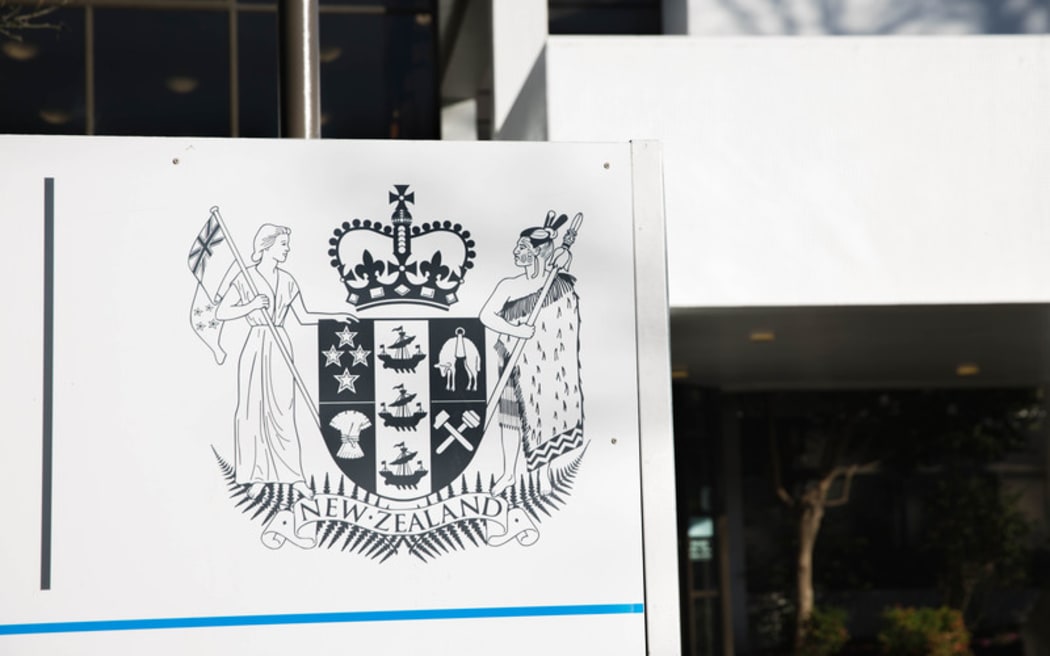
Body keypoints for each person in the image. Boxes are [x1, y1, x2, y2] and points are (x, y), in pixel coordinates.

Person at [216, 224, 355, 499]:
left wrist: (335, 316)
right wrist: (252, 306)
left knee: (283, 409)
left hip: (280, 345)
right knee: (252, 408)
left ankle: (292, 475)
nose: (287, 249)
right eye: (282, 244)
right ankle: (254, 475)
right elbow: (222, 312)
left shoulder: (287, 280)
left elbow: (302, 316)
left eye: (287, 244)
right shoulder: (245, 278)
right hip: (256, 344)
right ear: (266, 246)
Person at [480, 212, 584, 495]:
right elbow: (486, 316)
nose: (516, 252)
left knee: (546, 416)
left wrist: (562, 245)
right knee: (510, 420)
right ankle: (508, 473)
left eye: (523, 248)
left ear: (538, 251)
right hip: (513, 361)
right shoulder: (509, 285)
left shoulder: (554, 279)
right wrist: (516, 331)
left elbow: (562, 257)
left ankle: (545, 473)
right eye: (518, 247)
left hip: (545, 363)